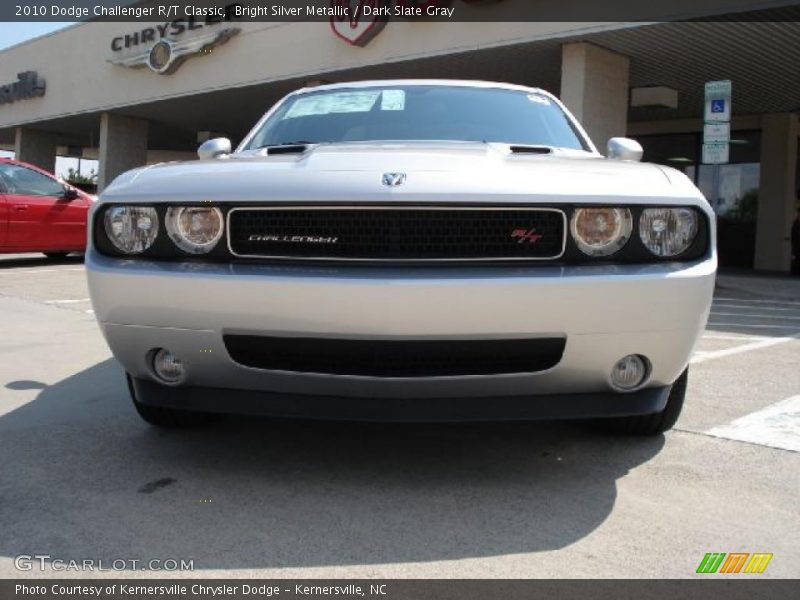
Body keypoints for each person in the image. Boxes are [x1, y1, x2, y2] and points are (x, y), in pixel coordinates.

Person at [792, 206, 800, 275]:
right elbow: (793, 234)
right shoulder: (795, 222)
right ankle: (795, 272)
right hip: (797, 244)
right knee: (796, 257)